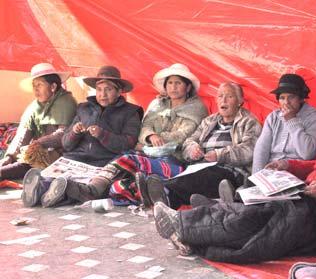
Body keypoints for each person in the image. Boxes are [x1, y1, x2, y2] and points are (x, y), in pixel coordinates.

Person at [153, 89, 316, 264]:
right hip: (314, 201)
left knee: (267, 221)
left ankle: (185, 225)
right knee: (260, 203)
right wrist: (288, 165)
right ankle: (205, 222)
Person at [46, 63, 208, 206]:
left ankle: (91, 190)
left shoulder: (196, 108)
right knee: (118, 183)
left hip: (172, 157)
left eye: (178, 83)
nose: (173, 87)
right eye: (170, 83)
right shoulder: (157, 104)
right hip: (145, 152)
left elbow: (184, 134)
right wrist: (151, 136)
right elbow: (146, 126)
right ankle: (63, 192)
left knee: (126, 162)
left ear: (188, 87)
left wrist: (157, 140)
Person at [21, 65, 143, 207]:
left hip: (105, 162)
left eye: (108, 89)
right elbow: (66, 144)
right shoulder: (84, 108)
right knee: (57, 178)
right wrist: (74, 132)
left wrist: (102, 134)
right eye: (99, 89)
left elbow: (128, 142)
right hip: (76, 159)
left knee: (98, 187)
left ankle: (54, 191)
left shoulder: (130, 112)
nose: (102, 94)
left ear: (119, 91)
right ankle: (43, 188)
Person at [139, 82, 262, 209]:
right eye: (220, 96)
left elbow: (250, 150)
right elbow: (189, 141)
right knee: (192, 175)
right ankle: (166, 199)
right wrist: (192, 149)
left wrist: (219, 155)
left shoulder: (249, 122)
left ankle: (159, 192)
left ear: (240, 101)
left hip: (231, 172)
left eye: (229, 96)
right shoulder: (209, 121)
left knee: (203, 175)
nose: (223, 100)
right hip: (202, 167)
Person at [0, 62, 77, 181]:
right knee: (15, 162)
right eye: (34, 85)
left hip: (62, 153)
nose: (35, 90)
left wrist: (39, 143)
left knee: (26, 167)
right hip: (40, 151)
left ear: (53, 87)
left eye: (39, 85)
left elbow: (63, 134)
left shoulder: (66, 102)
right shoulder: (34, 106)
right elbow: (24, 134)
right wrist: (10, 156)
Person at [252, 73, 316, 173]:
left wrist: (291, 120)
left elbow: (308, 153)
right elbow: (261, 150)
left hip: (298, 171)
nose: (286, 102)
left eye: (291, 97)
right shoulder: (273, 117)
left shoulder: (314, 117)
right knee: (244, 187)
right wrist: (257, 177)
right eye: (282, 98)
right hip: (272, 170)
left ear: (301, 98)